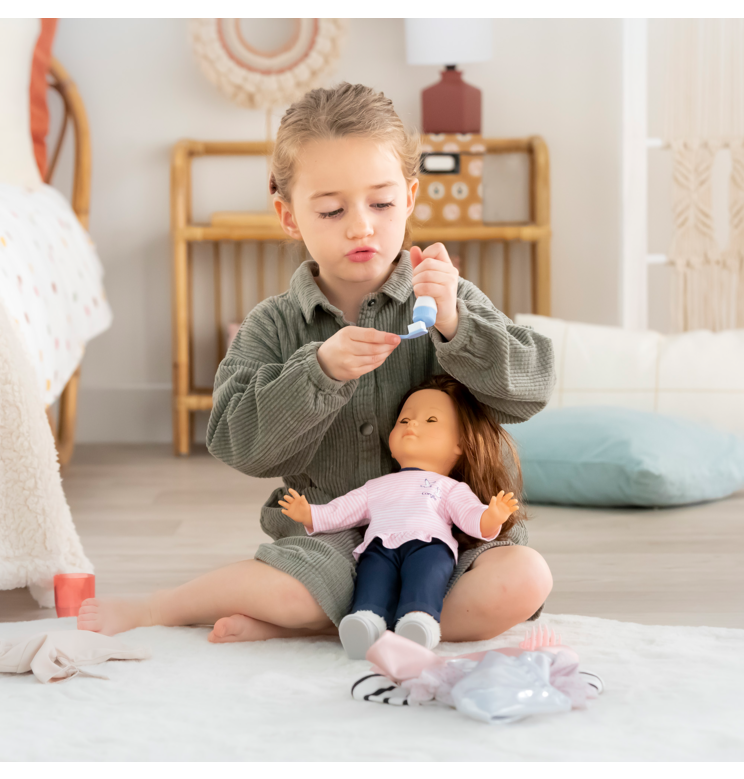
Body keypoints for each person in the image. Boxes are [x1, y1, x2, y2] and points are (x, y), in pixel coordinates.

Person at [77, 82, 556, 642]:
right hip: (332, 539)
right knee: (291, 590)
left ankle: (337, 622)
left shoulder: (447, 299)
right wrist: (317, 373)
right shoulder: (272, 325)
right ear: (288, 216)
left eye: (381, 203)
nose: (361, 226)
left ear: (410, 197)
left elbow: (531, 390)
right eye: (331, 209)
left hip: (451, 533)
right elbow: (235, 442)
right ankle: (160, 608)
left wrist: (457, 326)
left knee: (524, 577)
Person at [279, 375, 523, 659]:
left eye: (431, 420)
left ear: (460, 443)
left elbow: (470, 516)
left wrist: (492, 516)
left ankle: (419, 621)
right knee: (372, 579)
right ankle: (365, 622)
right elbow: (343, 510)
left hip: (429, 546)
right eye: (404, 420)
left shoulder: (449, 488)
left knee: (426, 579)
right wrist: (310, 514)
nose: (412, 425)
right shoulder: (376, 486)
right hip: (380, 546)